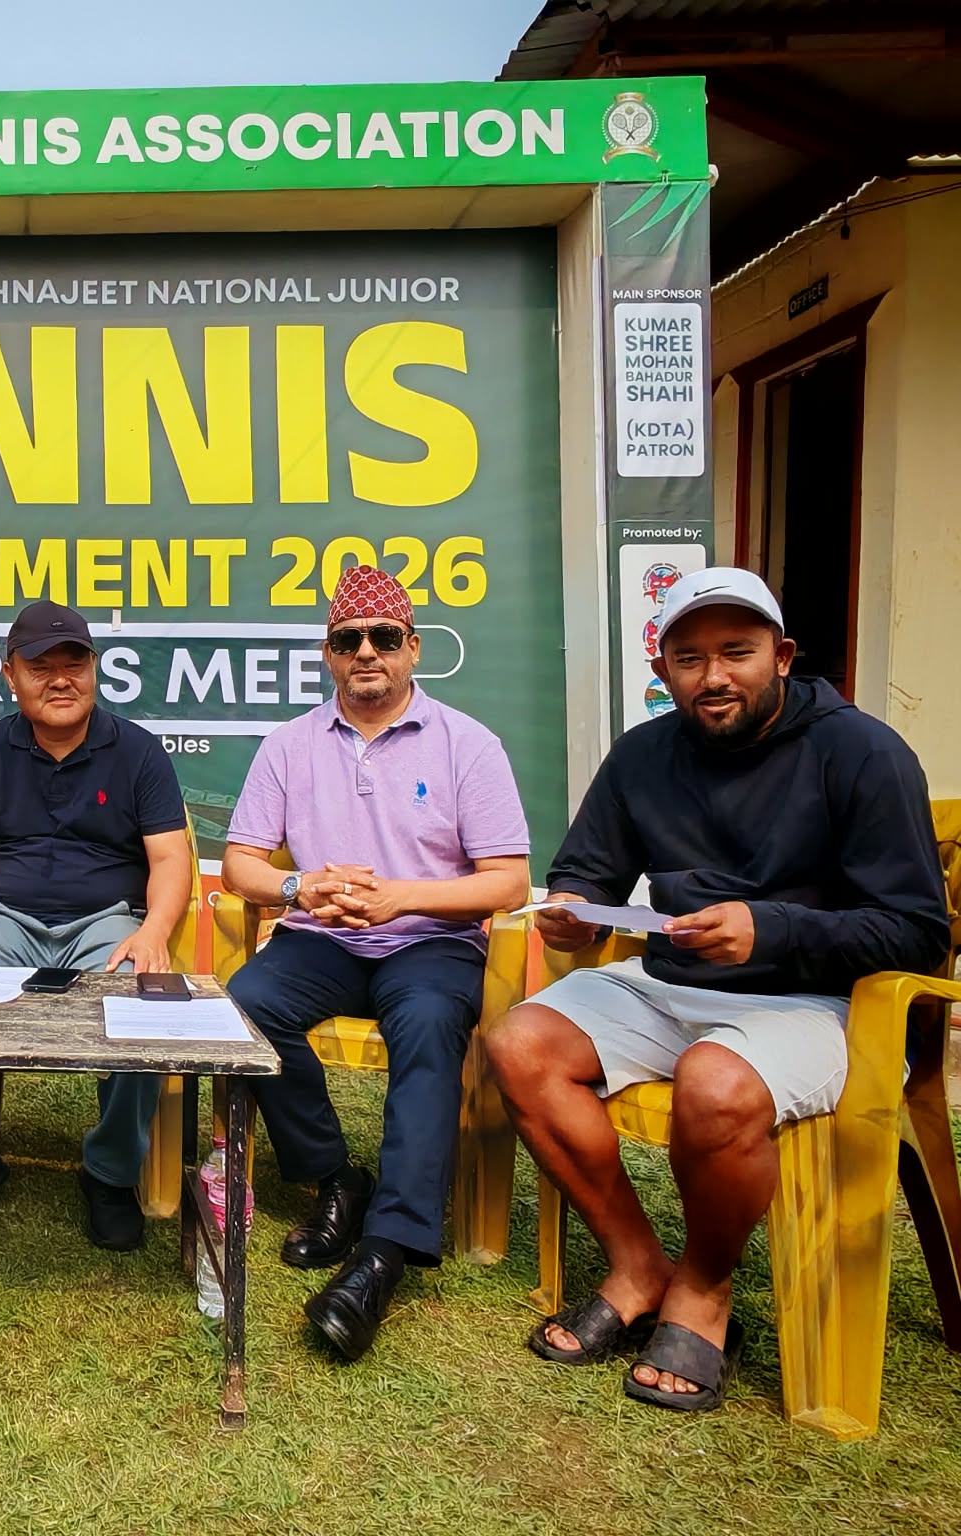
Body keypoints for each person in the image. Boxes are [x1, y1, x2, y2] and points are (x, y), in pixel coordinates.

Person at [486, 567, 948, 1413]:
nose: (714, 676)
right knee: (518, 1044)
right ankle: (636, 1265)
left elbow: (918, 931)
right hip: (674, 982)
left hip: (823, 1000)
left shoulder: (864, 753)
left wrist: (772, 929)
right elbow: (587, 870)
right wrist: (573, 913)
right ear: (662, 670)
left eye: (737, 652)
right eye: (690, 659)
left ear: (783, 656)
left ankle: (702, 1288)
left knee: (715, 1082)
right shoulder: (644, 754)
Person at [222, 564, 530, 1359]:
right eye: (348, 639)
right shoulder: (289, 745)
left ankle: (385, 1249)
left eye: (384, 637)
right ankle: (335, 1180)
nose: (366, 652)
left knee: (427, 1024)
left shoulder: (469, 744)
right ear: (328, 654)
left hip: (430, 942)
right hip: (322, 939)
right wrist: (301, 886)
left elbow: (508, 881)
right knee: (243, 1007)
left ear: (413, 649)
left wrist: (403, 898)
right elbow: (240, 865)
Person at [0, 600, 192, 1251]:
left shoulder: (137, 751)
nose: (60, 680)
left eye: (73, 664)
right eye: (41, 667)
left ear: (95, 669)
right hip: (8, 921)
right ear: (11, 677)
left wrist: (153, 932)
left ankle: (110, 1173)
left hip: (107, 924)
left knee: (146, 998)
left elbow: (172, 858)